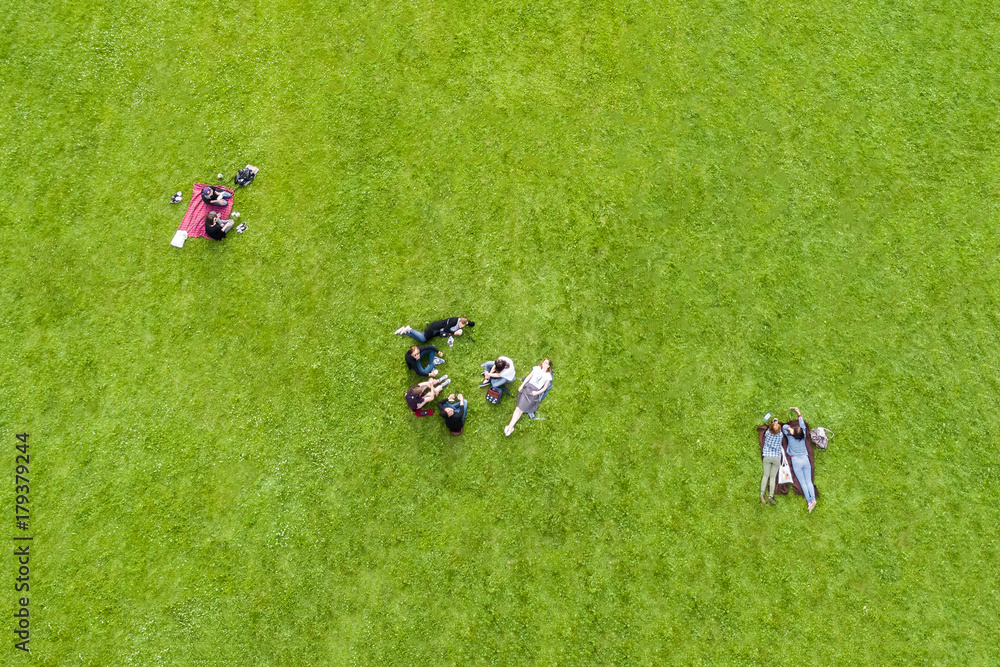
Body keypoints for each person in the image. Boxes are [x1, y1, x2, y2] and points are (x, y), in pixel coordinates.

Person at [504, 359, 552, 436]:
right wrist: (522, 385)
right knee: (518, 409)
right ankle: (510, 427)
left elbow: (545, 387)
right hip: (528, 388)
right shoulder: (536, 368)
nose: (544, 364)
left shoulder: (548, 376)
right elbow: (529, 377)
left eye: (546, 363)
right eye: (544, 362)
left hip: (534, 391)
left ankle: (510, 427)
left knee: (520, 409)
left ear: (548, 366)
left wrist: (537, 392)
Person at [784, 407, 817, 512]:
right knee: (809, 482)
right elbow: (803, 426)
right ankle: (813, 499)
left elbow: (784, 427)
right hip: (805, 459)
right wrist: (799, 413)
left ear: (793, 433)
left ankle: (810, 501)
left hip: (796, 461)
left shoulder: (790, 437)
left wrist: (789, 429)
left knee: (803, 483)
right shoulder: (803, 436)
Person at [394, 317, 474, 342]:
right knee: (423, 339)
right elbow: (446, 329)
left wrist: (468, 323)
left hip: (437, 330)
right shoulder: (453, 322)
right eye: (460, 325)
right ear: (459, 322)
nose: (461, 327)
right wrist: (454, 333)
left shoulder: (462, 321)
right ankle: (410, 329)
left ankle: (405, 331)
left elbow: (471, 323)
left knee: (422, 337)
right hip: (435, 328)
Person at [760, 417, 783, 505]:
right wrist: (776, 422)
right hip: (776, 457)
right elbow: (778, 430)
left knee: (765, 475)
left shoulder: (767, 433)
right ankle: (771, 495)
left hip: (767, 456)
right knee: (773, 477)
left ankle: (762, 493)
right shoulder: (780, 435)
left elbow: (772, 429)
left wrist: (773, 422)